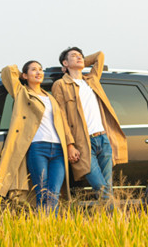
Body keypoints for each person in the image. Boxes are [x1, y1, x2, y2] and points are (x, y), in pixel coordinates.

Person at [0, 61, 74, 211]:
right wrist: (20, 73)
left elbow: (62, 123)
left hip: (58, 149)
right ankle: (43, 222)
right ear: (25, 75)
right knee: (42, 192)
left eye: (40, 69)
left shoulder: (50, 98)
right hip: (38, 148)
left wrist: (69, 144)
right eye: (33, 70)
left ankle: (51, 223)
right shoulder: (22, 93)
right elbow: (8, 71)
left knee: (54, 193)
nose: (38, 72)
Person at [51, 47, 128, 201]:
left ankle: (109, 216)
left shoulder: (92, 80)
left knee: (107, 186)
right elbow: (61, 117)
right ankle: (116, 215)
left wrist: (79, 63)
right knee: (100, 187)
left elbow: (100, 55)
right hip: (83, 142)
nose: (79, 57)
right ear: (65, 63)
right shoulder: (60, 85)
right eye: (74, 56)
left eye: (81, 56)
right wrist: (70, 144)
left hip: (103, 139)